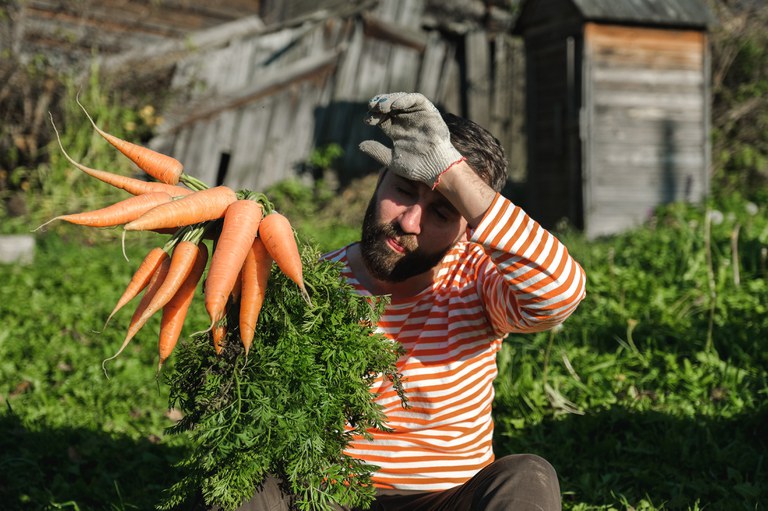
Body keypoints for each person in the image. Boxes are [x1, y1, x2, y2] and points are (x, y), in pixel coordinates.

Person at [234, 92, 586, 510]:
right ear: (381, 177)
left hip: (443, 499)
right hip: (323, 493)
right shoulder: (311, 281)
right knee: (246, 484)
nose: (408, 221)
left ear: (467, 228)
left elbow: (560, 293)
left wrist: (451, 174)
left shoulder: (478, 280)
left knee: (527, 475)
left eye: (442, 212)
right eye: (403, 190)